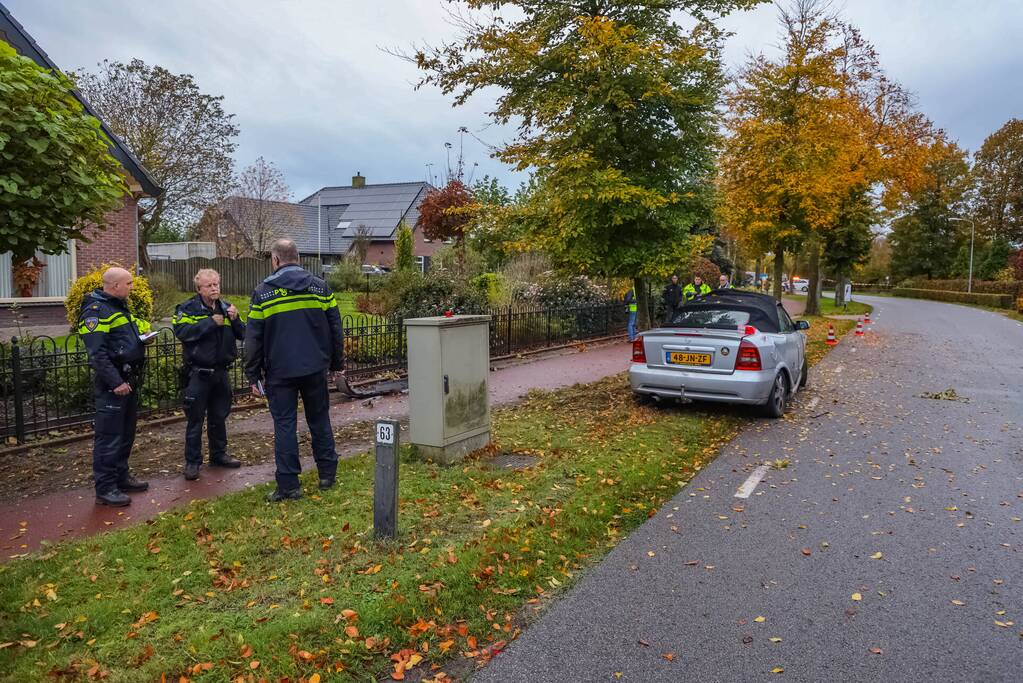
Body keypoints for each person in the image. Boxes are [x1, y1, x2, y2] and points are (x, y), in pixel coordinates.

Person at [245, 239, 344, 502]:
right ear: (298, 258)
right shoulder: (320, 288)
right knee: (319, 419)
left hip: (280, 371)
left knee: (285, 425)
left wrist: (252, 375)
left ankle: (289, 485)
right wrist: (337, 365)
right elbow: (336, 327)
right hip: (315, 368)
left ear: (275, 260)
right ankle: (327, 474)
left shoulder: (263, 292)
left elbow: (252, 337)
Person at [77, 267, 153, 506]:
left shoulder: (118, 307)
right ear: (114, 286)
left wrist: (144, 330)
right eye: (129, 283)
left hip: (127, 380)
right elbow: (97, 354)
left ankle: (121, 477)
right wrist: (116, 382)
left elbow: (127, 330)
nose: (132, 287)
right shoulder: (95, 312)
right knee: (109, 437)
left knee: (125, 434)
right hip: (114, 385)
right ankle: (105, 488)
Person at [173, 269, 245, 480]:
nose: (214, 288)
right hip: (199, 373)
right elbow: (182, 333)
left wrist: (236, 319)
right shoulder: (187, 308)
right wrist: (209, 323)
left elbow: (242, 334)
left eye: (216, 284)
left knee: (219, 416)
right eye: (209, 285)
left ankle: (219, 454)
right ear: (199, 289)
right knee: (195, 419)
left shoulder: (226, 306)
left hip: (221, 372)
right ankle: (192, 462)